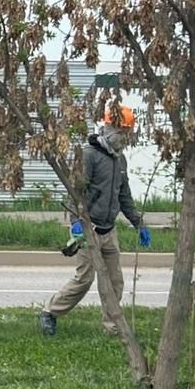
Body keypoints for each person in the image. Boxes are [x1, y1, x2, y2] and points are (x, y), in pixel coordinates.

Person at [39, 104, 150, 337]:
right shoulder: (89, 156)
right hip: (88, 229)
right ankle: (50, 312)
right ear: (108, 128)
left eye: (127, 133)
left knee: (114, 282)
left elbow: (124, 195)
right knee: (84, 279)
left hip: (109, 231)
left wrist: (139, 223)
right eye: (122, 132)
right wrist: (76, 221)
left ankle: (112, 327)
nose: (124, 138)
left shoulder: (120, 161)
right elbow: (75, 191)